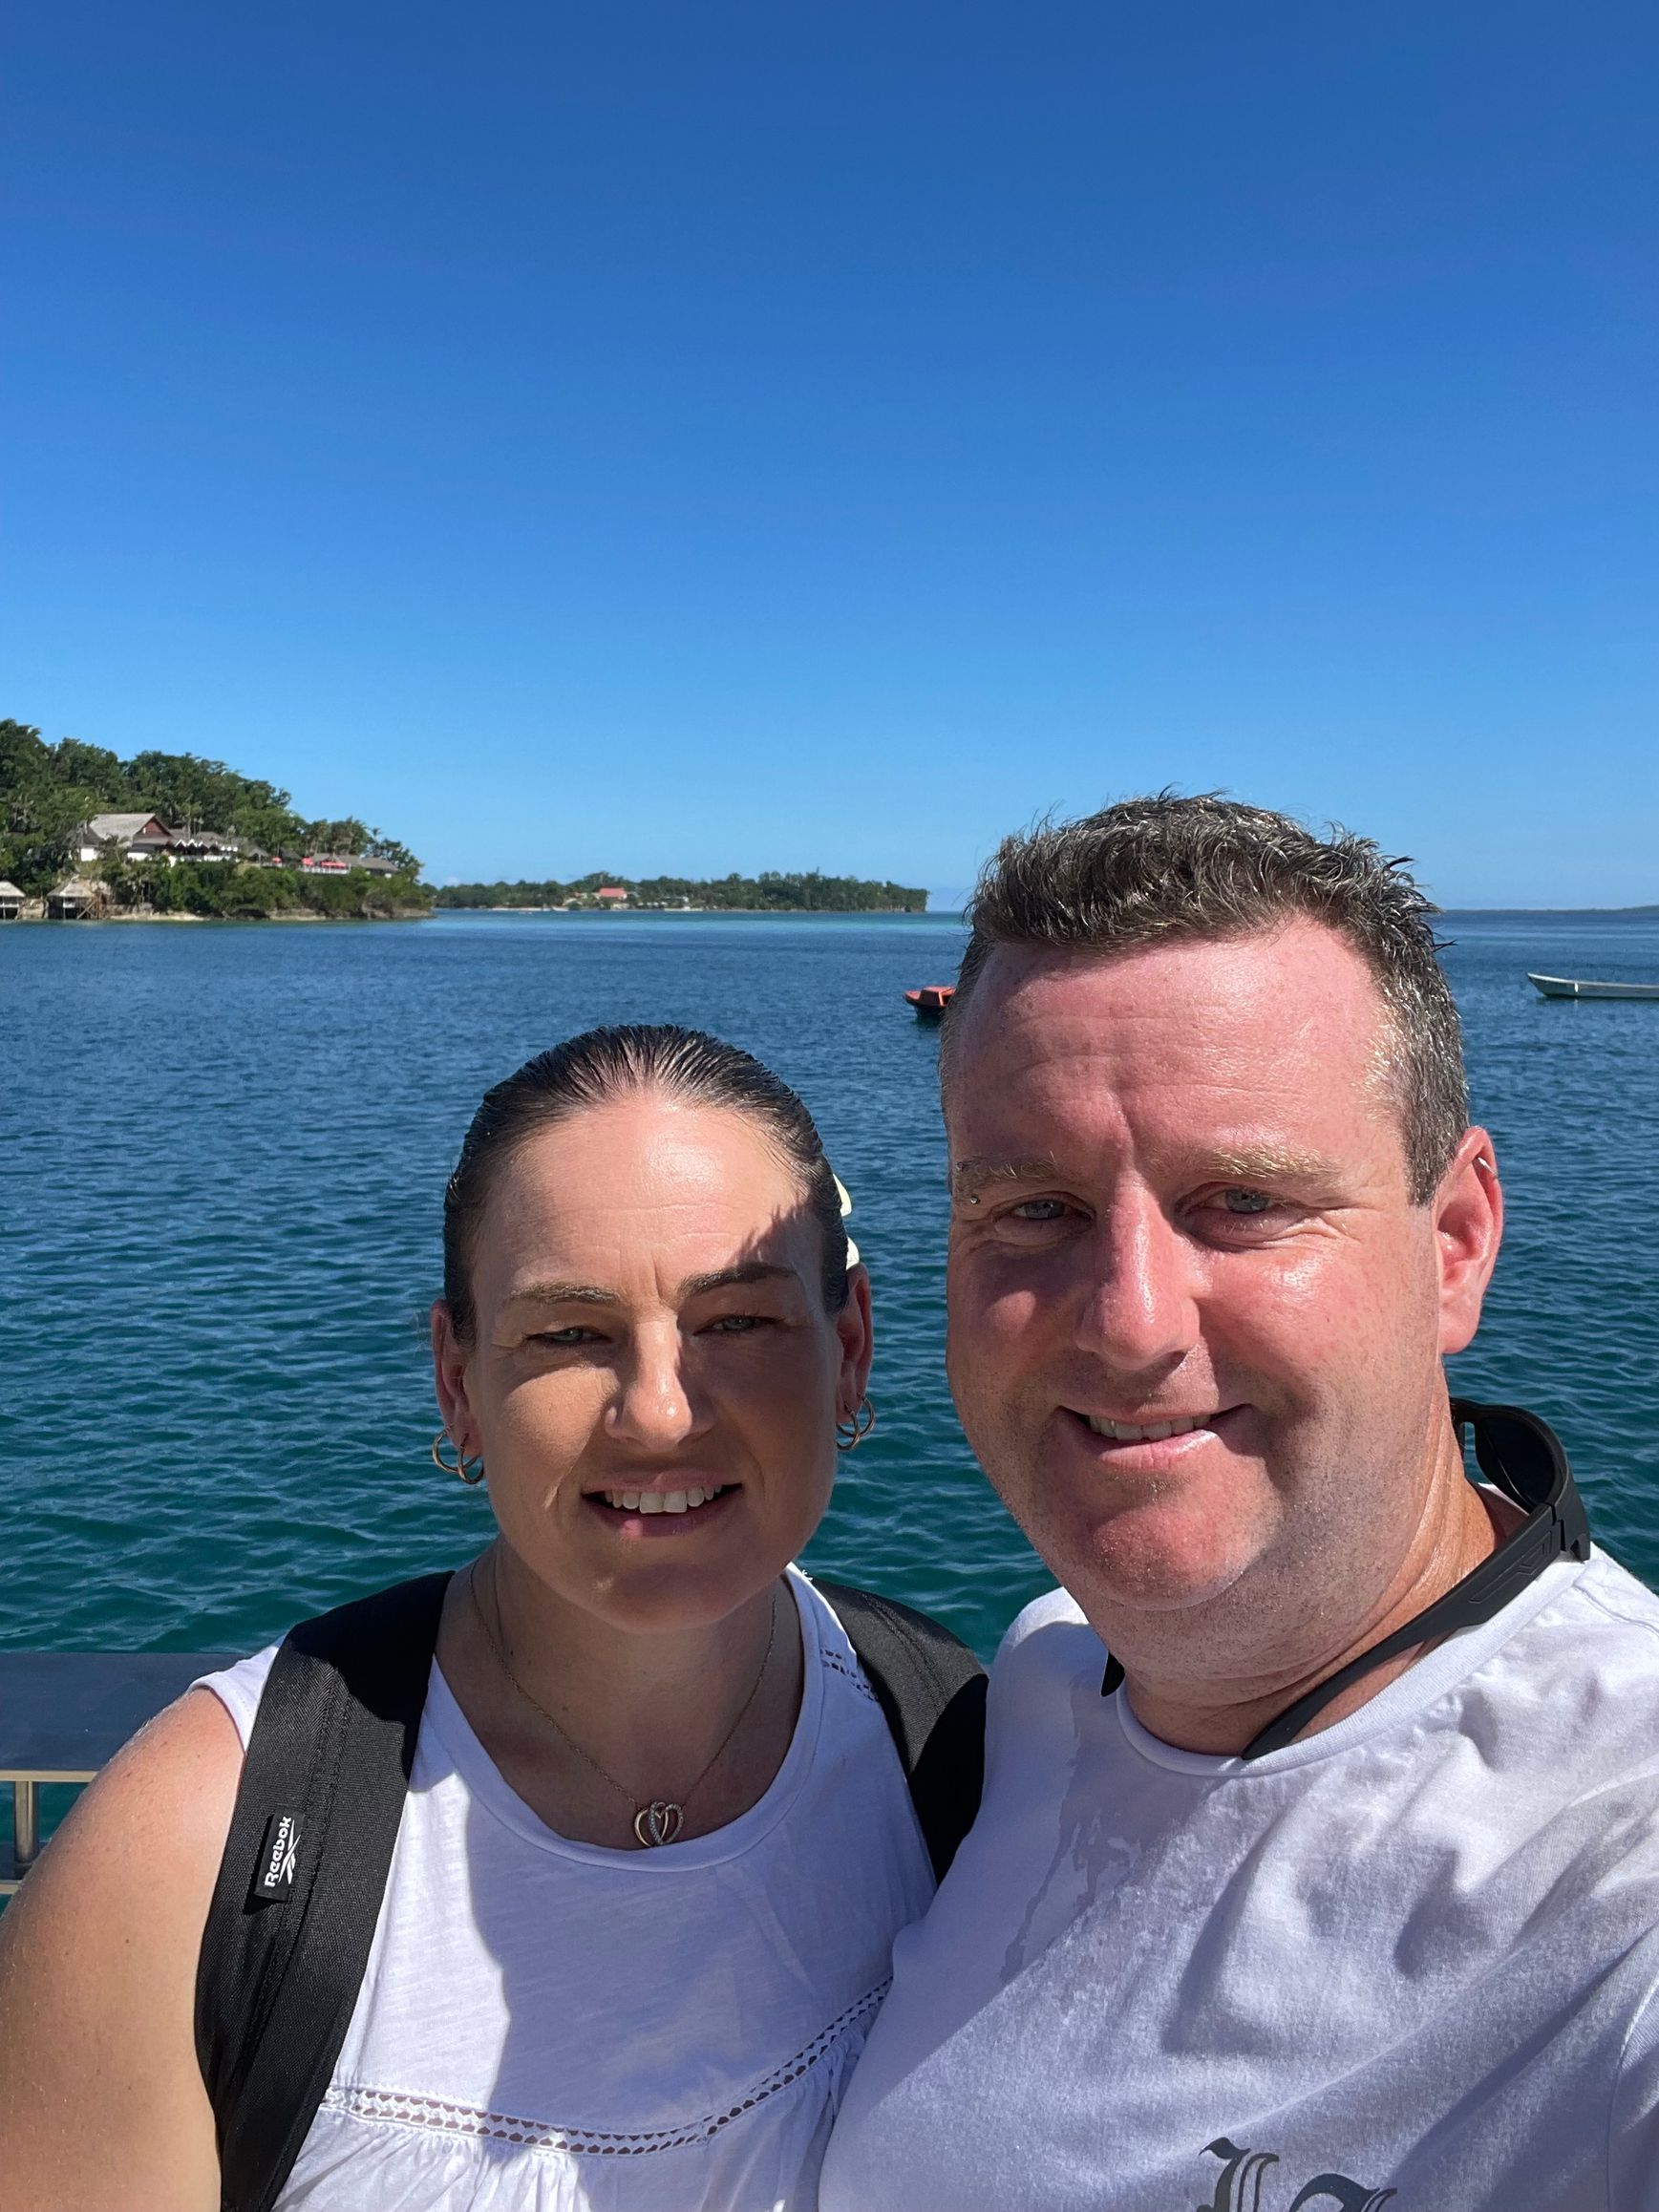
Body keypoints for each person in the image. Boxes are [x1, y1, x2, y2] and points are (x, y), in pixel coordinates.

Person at [820, 796, 1659, 2212]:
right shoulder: (1035, 1686)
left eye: (1244, 1200)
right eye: (1031, 1208)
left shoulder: (1612, 1870)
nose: (1130, 1324)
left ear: (1453, 1245)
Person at [0, 1024, 978, 2212]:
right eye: (569, 1333)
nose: (661, 1414)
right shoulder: (192, 1851)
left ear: (852, 1350)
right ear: (458, 1385)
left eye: (740, 1322)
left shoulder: (954, 1747)